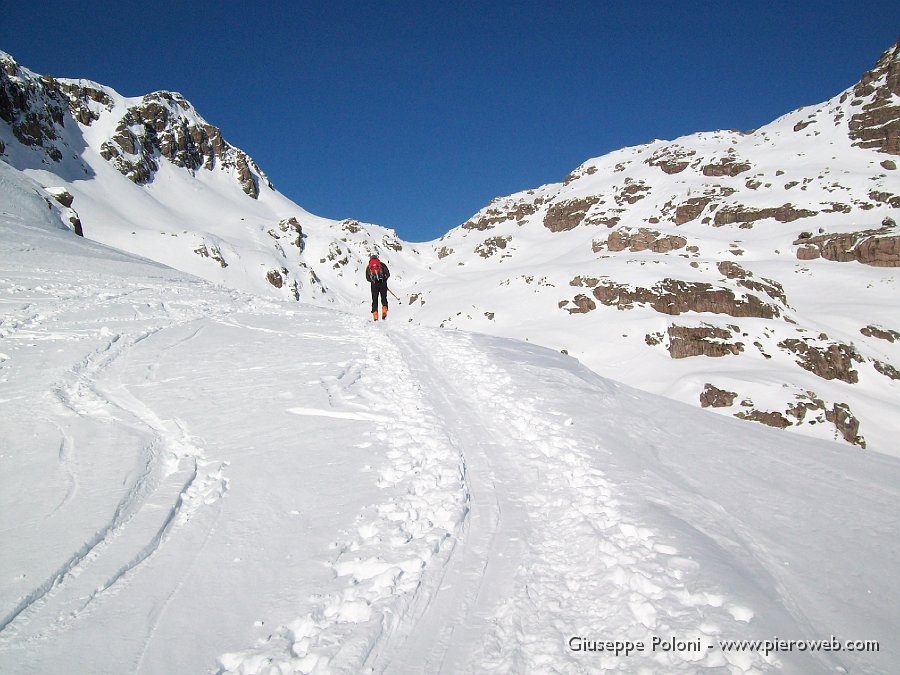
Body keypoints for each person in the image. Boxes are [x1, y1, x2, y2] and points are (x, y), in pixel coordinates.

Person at [365, 254, 390, 321]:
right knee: (384, 298)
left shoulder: (369, 267)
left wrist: (373, 281)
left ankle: (375, 316)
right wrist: (384, 280)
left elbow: (367, 278)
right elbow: (388, 274)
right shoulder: (382, 265)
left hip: (374, 285)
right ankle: (384, 311)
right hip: (383, 283)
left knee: (374, 300)